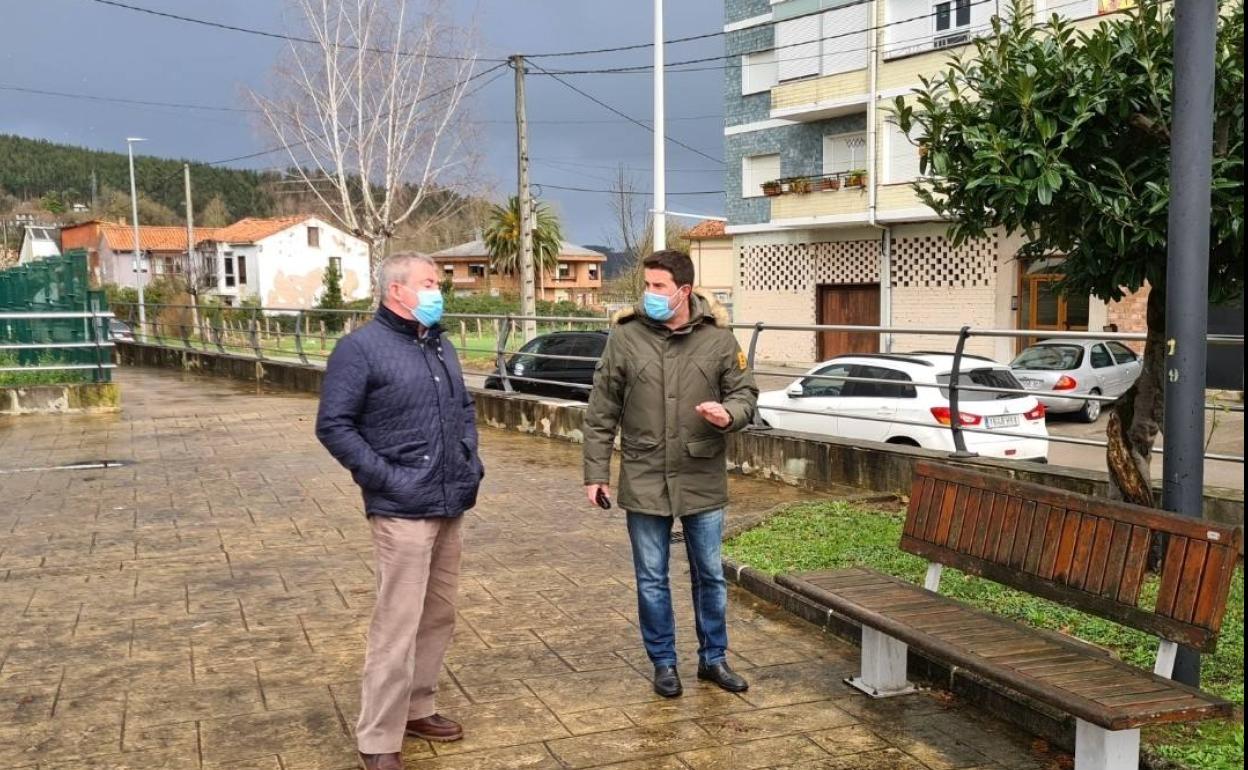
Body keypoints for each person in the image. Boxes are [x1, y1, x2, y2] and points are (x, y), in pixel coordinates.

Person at [315, 253, 484, 770]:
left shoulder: (439, 344)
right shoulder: (360, 350)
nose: (439, 291)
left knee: (438, 615)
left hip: (449, 499)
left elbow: (464, 410)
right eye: (429, 283)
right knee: (396, 623)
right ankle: (378, 737)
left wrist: (469, 461)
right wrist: (386, 478)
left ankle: (418, 707)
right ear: (397, 291)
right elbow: (334, 425)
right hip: (401, 509)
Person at [582, 249, 758, 698]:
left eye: (658, 287)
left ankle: (713, 659)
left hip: (701, 474)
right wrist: (595, 472)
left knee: (710, 576)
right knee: (652, 578)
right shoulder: (625, 337)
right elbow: (601, 411)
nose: (649, 295)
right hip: (643, 473)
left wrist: (729, 414)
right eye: (646, 285)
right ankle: (663, 663)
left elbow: (745, 394)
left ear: (683, 290)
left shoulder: (719, 340)